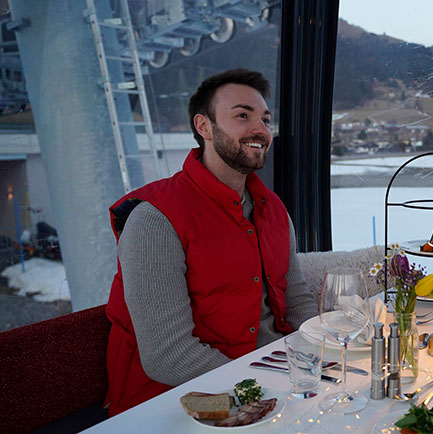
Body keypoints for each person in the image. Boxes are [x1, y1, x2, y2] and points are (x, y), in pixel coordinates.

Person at [105, 68, 317, 415]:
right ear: (203, 126)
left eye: (265, 119)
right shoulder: (155, 219)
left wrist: (323, 355)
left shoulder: (273, 208)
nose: (260, 129)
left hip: (273, 378)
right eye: (242, 116)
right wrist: (259, 389)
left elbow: (297, 301)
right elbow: (167, 355)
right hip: (179, 401)